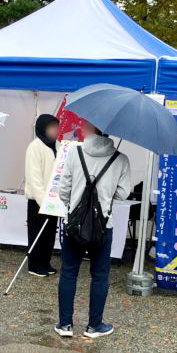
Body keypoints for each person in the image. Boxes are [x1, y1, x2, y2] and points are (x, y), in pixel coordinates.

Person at [55, 121, 131, 339]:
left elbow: (63, 191)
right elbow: (124, 193)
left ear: (90, 129)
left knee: (69, 272)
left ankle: (65, 325)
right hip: (102, 225)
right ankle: (94, 326)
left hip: (74, 224)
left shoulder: (74, 153)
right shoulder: (120, 158)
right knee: (100, 275)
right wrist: (106, 193)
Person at [24, 114, 60, 277]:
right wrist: (43, 202)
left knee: (49, 234)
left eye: (56, 127)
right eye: (51, 127)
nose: (55, 131)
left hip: (53, 200)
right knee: (37, 233)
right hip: (38, 201)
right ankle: (35, 265)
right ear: (43, 128)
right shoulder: (35, 146)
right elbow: (34, 178)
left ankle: (45, 262)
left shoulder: (56, 146)